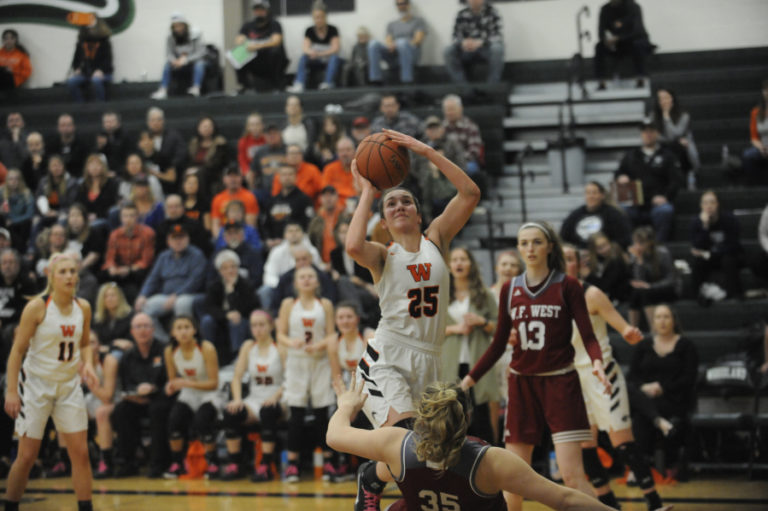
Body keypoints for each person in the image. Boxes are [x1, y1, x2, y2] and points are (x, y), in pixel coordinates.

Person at [348, 128, 480, 510]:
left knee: (429, 456)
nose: (400, 206)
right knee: (407, 441)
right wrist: (366, 193)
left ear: (420, 214)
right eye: (391, 205)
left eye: (406, 200)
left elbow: (470, 193)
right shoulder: (382, 256)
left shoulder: (436, 239)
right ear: (385, 222)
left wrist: (425, 151)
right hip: (387, 357)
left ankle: (375, 482)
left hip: (431, 358)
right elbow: (353, 245)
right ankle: (370, 483)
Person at [461, 221, 609, 511]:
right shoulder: (508, 289)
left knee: (572, 476)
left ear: (549, 246)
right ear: (518, 248)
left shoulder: (568, 286)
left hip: (560, 382)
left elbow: (589, 336)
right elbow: (498, 343)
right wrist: (467, 381)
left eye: (536, 242)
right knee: (511, 478)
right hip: (521, 384)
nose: (530, 248)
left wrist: (598, 364)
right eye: (524, 243)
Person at [328, 379, 626, 511]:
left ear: (422, 417)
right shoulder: (491, 462)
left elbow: (335, 436)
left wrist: (346, 406)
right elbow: (565, 501)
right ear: (467, 417)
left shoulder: (396, 443)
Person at [563, 244, 666, 511]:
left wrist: (630, 331)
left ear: (580, 264)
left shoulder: (593, 294)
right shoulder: (548, 299)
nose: (563, 264)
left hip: (602, 373)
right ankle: (609, 505)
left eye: (569, 259)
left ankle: (654, 503)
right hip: (572, 378)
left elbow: (622, 326)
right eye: (558, 259)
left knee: (622, 442)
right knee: (587, 445)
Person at [3, 252, 97, 511]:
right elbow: (16, 352)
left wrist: (88, 363)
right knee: (27, 456)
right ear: (51, 276)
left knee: (80, 453)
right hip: (36, 385)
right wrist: (12, 391)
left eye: (73, 271)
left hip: (68, 386)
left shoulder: (83, 307)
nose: (69, 276)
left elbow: (86, 343)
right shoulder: (37, 307)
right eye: (63, 272)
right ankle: (10, 506)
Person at [276, 265, 336, 482]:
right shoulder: (287, 304)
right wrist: (291, 342)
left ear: (317, 281)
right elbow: (280, 334)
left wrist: (319, 345)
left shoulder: (326, 304)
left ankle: (329, 462)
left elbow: (331, 336)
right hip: (297, 361)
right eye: (302, 276)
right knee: (296, 414)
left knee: (322, 414)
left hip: (320, 362)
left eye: (310, 276)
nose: (307, 279)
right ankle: (292, 464)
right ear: (295, 282)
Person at [628, 304, 698, 480]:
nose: (662, 321)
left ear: (674, 320)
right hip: (647, 398)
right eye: (658, 317)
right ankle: (657, 423)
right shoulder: (644, 345)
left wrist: (663, 387)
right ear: (653, 322)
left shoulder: (686, 345)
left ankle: (639, 468)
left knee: (642, 413)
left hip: (674, 398)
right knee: (636, 400)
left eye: (666, 317)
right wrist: (645, 387)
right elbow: (632, 376)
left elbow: (689, 378)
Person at [442, 247, 500, 444]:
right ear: (448, 265)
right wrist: (455, 329)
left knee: (482, 415)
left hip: (478, 362)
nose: (458, 263)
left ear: (471, 264)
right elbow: (429, 330)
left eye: (463, 259)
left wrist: (481, 321)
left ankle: (487, 461)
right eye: (455, 259)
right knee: (451, 415)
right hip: (450, 362)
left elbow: (499, 328)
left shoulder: (484, 294)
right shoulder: (440, 294)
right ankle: (455, 465)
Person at [221, 310, 284, 481]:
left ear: (270, 326)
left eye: (261, 324)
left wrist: (275, 397)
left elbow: (291, 378)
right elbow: (237, 377)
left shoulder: (280, 347)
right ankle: (235, 463)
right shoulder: (248, 346)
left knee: (268, 411)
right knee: (231, 412)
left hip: (278, 397)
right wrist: (237, 399)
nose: (258, 329)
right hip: (255, 399)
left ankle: (266, 465)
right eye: (254, 325)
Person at [110, 313, 170, 477]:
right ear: (132, 331)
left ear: (153, 329)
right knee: (121, 410)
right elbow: (126, 384)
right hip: (137, 400)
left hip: (160, 398)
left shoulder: (165, 350)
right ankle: (127, 462)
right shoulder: (127, 356)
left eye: (146, 326)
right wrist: (134, 394)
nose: (142, 330)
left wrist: (153, 389)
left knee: (158, 410)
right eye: (138, 326)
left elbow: (170, 381)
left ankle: (158, 463)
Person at [162, 315, 220, 479]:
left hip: (210, 393)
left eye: (187, 327)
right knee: (174, 420)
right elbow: (173, 381)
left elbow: (213, 383)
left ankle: (213, 462)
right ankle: (177, 463)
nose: (183, 331)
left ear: (194, 330)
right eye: (179, 328)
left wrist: (186, 383)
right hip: (189, 393)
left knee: (203, 420)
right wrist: (170, 386)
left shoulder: (206, 348)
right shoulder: (170, 351)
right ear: (173, 333)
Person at [134, 223, 207, 343]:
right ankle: (165, 341)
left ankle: (187, 340)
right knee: (145, 306)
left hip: (190, 295)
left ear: (187, 239)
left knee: (181, 303)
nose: (178, 241)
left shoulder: (196, 255)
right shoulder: (163, 256)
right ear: (169, 241)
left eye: (181, 238)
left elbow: (195, 281)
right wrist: (143, 295)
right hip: (166, 296)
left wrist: (177, 295)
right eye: (175, 238)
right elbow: (153, 278)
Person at [614, 120, 684, 242]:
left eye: (651, 131)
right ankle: (630, 245)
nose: (648, 134)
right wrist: (621, 177)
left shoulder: (667, 156)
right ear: (641, 134)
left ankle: (659, 245)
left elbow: (676, 180)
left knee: (665, 211)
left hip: (657, 201)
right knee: (622, 210)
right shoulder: (631, 155)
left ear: (657, 133)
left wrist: (666, 197)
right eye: (645, 131)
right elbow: (619, 172)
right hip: (635, 202)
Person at [200, 249, 258, 365]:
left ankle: (238, 356)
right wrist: (226, 315)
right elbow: (209, 307)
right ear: (220, 271)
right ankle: (208, 353)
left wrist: (231, 294)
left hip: (242, 319)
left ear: (238, 268)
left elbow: (251, 306)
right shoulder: (215, 285)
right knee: (207, 320)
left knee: (236, 321)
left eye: (233, 267)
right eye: (225, 268)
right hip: (221, 318)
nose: (230, 270)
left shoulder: (245, 284)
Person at [690, 190, 743, 302]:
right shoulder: (696, 222)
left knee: (728, 260)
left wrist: (711, 254)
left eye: (712, 202)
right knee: (698, 262)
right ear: (701, 206)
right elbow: (697, 246)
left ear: (717, 204)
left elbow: (733, 245)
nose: (708, 206)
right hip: (710, 257)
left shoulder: (729, 220)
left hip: (727, 255)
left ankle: (734, 295)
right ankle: (697, 296)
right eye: (705, 203)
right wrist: (705, 226)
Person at [101, 202, 156, 304]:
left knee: (140, 274)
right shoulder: (115, 234)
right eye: (125, 216)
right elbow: (110, 257)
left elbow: (146, 261)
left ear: (137, 217)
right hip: (120, 269)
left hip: (136, 270)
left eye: (131, 216)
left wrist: (128, 269)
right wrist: (112, 267)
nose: (128, 219)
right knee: (103, 274)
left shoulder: (147, 233)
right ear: (121, 218)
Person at [594, 0, 654, 90]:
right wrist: (606, 40)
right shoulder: (605, 9)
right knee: (599, 47)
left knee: (637, 45)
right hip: (616, 44)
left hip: (633, 40)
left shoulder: (633, 6)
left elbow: (637, 30)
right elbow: (601, 30)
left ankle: (640, 78)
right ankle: (601, 81)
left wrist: (619, 38)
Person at [84, 331, 119, 479]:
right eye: (85, 343)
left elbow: (107, 397)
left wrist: (88, 381)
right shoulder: (77, 361)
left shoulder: (108, 360)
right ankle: (66, 459)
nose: (89, 347)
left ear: (99, 345)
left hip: (116, 400)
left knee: (101, 412)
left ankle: (106, 461)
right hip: (93, 398)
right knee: (63, 409)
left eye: (92, 342)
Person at [627, 226, 678, 329]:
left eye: (641, 243)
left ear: (650, 242)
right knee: (636, 293)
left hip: (666, 288)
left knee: (645, 293)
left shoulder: (663, 253)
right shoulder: (636, 255)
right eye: (635, 242)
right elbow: (640, 280)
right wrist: (639, 260)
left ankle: (654, 330)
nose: (637, 246)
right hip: (648, 289)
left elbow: (671, 279)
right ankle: (632, 330)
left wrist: (651, 286)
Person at [233, 0, 288, 93]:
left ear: (267, 10)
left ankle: (277, 86)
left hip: (269, 60)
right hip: (254, 61)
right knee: (236, 54)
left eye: (261, 10)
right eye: (256, 10)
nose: (259, 12)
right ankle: (245, 86)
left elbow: (276, 41)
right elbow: (238, 40)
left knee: (276, 51)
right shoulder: (247, 25)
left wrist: (257, 46)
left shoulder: (274, 24)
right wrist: (242, 41)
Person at [367, 0, 426, 86]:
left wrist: (399, 44)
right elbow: (388, 40)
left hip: (411, 53)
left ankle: (407, 80)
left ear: (409, 5)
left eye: (403, 3)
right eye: (398, 4)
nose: (401, 6)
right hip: (394, 54)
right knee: (373, 44)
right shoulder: (392, 24)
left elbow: (418, 40)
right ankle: (375, 79)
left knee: (402, 42)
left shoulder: (418, 21)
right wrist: (392, 45)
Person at [444, 0, 504, 84]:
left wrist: (480, 42)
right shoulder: (461, 14)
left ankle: (492, 84)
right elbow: (455, 37)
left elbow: (497, 36)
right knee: (448, 50)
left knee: (497, 48)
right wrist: (463, 42)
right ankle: (461, 85)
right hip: (466, 50)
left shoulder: (492, 13)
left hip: (485, 49)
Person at [151, 13, 209, 99]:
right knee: (167, 65)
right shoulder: (170, 37)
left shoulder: (195, 34)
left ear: (185, 25)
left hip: (194, 61)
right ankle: (163, 89)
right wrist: (174, 61)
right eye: (175, 26)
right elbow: (169, 54)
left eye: (179, 26)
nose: (177, 29)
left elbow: (201, 52)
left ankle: (196, 88)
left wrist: (186, 60)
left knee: (200, 64)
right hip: (178, 62)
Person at [560, 181, 632, 249]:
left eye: (594, 193)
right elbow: (564, 238)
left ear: (602, 195)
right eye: (588, 193)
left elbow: (624, 238)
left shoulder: (614, 214)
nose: (591, 196)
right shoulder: (575, 216)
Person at [287, 1, 341, 92]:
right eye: (316, 17)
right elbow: (305, 48)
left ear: (325, 17)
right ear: (313, 18)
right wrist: (311, 52)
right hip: (316, 58)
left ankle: (328, 83)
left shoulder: (333, 29)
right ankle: (299, 83)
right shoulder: (309, 30)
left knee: (334, 58)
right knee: (303, 58)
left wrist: (319, 54)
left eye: (321, 17)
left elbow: (335, 48)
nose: (319, 20)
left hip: (328, 58)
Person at [650, 88, 700, 175]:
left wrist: (666, 118)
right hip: (662, 147)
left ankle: (685, 176)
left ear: (672, 99)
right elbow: (656, 137)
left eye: (666, 98)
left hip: (679, 150)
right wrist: (674, 140)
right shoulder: (653, 116)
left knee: (679, 147)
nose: (664, 101)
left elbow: (676, 134)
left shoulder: (684, 115)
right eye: (661, 99)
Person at [139, 107, 187, 195]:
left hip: (170, 176)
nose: (155, 123)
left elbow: (181, 154)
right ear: (148, 123)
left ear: (163, 121)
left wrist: (169, 166)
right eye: (152, 120)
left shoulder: (174, 136)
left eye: (158, 120)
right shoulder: (143, 137)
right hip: (147, 177)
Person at [260, 164, 314, 243]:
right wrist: (268, 240)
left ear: (296, 177)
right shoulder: (272, 201)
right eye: (284, 174)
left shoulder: (304, 200)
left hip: (297, 243)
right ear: (279, 178)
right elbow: (265, 225)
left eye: (290, 174)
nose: (287, 177)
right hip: (274, 245)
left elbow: (309, 224)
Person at [66, 17, 113, 102]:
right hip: (85, 73)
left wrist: (101, 70)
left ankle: (101, 104)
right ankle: (80, 106)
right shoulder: (81, 43)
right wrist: (77, 69)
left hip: (103, 73)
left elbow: (108, 60)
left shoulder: (104, 42)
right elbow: (76, 60)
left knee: (96, 81)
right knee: (71, 82)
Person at [210, 165, 259, 239]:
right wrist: (220, 239)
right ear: (224, 179)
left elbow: (251, 224)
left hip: (244, 234)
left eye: (236, 176)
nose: (233, 179)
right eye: (230, 176)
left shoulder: (249, 197)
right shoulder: (218, 199)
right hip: (224, 234)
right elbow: (215, 224)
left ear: (241, 178)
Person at [442, 94, 484, 177]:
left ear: (461, 109)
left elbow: (474, 152)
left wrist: (456, 161)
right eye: (447, 110)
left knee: (471, 168)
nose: (450, 113)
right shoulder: (441, 128)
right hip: (445, 162)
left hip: (466, 162)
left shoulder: (470, 126)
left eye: (452, 109)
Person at [584, 232, 632, 304]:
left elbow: (605, 286)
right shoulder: (597, 260)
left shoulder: (616, 259)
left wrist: (589, 276)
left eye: (605, 245)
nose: (605, 249)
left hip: (623, 300)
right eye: (599, 248)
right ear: (593, 250)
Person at [92, 282, 134, 356]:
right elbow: (96, 342)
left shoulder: (129, 316)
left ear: (120, 297)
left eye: (113, 295)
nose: (109, 299)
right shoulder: (98, 319)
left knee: (115, 355)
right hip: (101, 352)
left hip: (124, 354)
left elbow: (128, 343)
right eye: (106, 296)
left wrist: (109, 347)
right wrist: (114, 344)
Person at [74, 154, 120, 222]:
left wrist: (97, 215)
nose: (94, 167)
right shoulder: (83, 186)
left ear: (103, 167)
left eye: (97, 165)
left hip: (104, 219)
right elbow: (78, 204)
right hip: (84, 219)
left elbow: (112, 205)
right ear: (87, 168)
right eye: (91, 165)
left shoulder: (111, 184)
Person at [0, 168, 34, 253]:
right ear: (7, 180)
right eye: (11, 179)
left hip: (21, 222)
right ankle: (21, 250)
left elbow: (30, 214)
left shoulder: (27, 193)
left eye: (16, 179)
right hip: (6, 222)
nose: (13, 181)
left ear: (20, 180)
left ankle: (20, 250)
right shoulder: (1, 192)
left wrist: (13, 221)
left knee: (25, 224)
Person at [46, 114, 89, 178]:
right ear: (58, 127)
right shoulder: (51, 146)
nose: (66, 128)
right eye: (63, 125)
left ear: (73, 126)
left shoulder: (83, 145)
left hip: (78, 179)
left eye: (68, 125)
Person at [743, 79, 768, 186]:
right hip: (763, 147)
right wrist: (762, 148)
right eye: (766, 90)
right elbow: (754, 137)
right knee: (748, 155)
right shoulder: (756, 112)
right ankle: (754, 186)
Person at [321, 137, 357, 207]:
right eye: (341, 151)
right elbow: (325, 193)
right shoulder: (329, 169)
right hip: (336, 208)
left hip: (358, 206)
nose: (344, 154)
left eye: (348, 150)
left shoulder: (361, 169)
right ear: (337, 153)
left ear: (354, 151)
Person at [237, 112, 266, 178]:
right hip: (251, 169)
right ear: (248, 127)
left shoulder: (267, 140)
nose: (255, 127)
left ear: (262, 125)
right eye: (252, 125)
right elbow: (242, 160)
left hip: (265, 168)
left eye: (257, 124)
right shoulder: (243, 141)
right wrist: (246, 171)